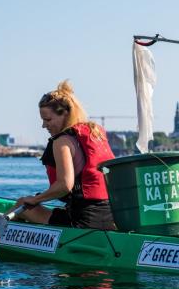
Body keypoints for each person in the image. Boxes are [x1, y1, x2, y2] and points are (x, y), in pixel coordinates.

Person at [16, 80, 116, 230]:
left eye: (48, 119)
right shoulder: (95, 132)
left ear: (64, 113)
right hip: (111, 217)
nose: (44, 125)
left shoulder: (62, 142)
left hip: (82, 222)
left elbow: (64, 185)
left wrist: (36, 199)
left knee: (21, 203)